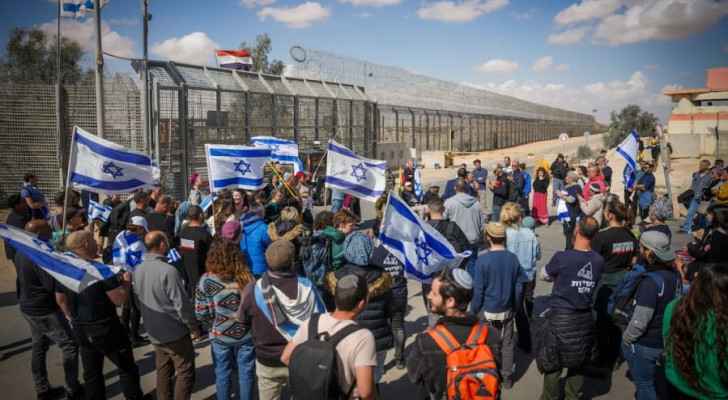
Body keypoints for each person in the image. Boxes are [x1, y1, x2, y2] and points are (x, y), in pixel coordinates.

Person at [60, 231, 145, 400]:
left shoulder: (64, 267)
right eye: (92, 239)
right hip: (105, 327)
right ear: (84, 244)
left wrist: (71, 318)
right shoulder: (100, 270)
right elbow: (119, 299)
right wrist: (127, 283)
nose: (96, 243)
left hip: (80, 328)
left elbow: (60, 298)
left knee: (92, 373)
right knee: (126, 367)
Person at [237, 240, 325, 400]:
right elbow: (321, 319)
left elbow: (242, 322)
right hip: (301, 357)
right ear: (292, 262)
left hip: (267, 359)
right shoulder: (308, 287)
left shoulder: (253, 290)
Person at [407, 268, 502, 399]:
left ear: (450, 301)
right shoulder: (492, 335)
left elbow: (414, 377)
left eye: (434, 293)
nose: (428, 296)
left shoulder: (425, 342)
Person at [282, 273, 377, 400]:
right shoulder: (363, 337)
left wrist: (314, 380)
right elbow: (365, 392)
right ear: (361, 304)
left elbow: (286, 357)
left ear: (335, 296)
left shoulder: (312, 321)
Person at [15, 220, 82, 400]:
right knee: (69, 345)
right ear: (40, 234)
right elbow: (56, 290)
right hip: (44, 309)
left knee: (39, 346)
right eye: (48, 231)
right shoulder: (39, 255)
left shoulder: (22, 248)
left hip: (28, 305)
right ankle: (72, 389)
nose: (52, 234)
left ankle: (42, 388)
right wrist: (69, 315)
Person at [538, 217, 604, 400]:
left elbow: (544, 274)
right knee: (579, 361)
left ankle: (549, 397)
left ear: (577, 231)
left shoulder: (563, 257)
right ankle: (572, 396)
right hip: (584, 317)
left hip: (561, 317)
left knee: (553, 363)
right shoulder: (598, 261)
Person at [134, 231, 199, 400]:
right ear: (161, 245)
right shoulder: (168, 271)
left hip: (154, 331)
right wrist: (194, 327)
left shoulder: (138, 269)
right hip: (174, 332)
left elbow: (137, 299)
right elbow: (182, 305)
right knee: (185, 372)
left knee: (163, 370)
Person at [327, 231, 393, 383]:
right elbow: (392, 309)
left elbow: (331, 309)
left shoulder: (336, 278)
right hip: (376, 338)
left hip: (345, 336)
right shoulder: (382, 277)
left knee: (348, 381)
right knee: (372, 380)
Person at [621, 231, 681, 400]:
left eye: (642, 247)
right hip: (664, 340)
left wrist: (627, 339)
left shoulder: (650, 282)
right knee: (660, 381)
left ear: (649, 253)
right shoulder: (674, 276)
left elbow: (641, 320)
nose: (639, 250)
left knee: (645, 384)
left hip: (646, 343)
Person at [196, 240, 256, 400]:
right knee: (246, 374)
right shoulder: (246, 277)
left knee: (222, 374)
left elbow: (201, 313)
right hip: (246, 335)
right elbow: (254, 309)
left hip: (219, 335)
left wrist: (212, 326)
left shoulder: (206, 280)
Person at [663, 263, 728, 399]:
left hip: (678, 385)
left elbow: (668, 344)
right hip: (716, 393)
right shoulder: (721, 322)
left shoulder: (674, 307)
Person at [469, 222, 521, 388]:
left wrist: (473, 310)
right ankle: (507, 378)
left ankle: (488, 376)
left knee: (485, 344)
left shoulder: (482, 260)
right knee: (507, 345)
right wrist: (515, 307)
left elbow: (478, 291)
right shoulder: (513, 258)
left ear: (488, 238)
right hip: (507, 309)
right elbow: (518, 287)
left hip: (486, 310)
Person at [591, 200, 639, 366]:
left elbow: (593, 261)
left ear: (609, 215)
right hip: (624, 280)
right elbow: (634, 259)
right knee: (618, 319)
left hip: (605, 281)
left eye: (605, 211)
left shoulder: (602, 236)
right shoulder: (630, 234)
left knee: (602, 320)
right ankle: (616, 355)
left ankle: (603, 359)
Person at [501, 204, 541, 353]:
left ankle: (511, 341)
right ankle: (526, 341)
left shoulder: (505, 235)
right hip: (529, 274)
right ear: (520, 217)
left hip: (513, 277)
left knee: (515, 310)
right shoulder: (530, 233)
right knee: (524, 306)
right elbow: (537, 254)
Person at [369, 235, 408, 369]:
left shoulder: (375, 252)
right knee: (398, 326)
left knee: (380, 327)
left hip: (382, 295)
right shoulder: (402, 250)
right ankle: (399, 359)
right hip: (399, 293)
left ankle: (379, 361)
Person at [445, 180, 486, 270]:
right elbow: (482, 223)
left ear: (455, 188)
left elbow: (443, 220)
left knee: (457, 268)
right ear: (466, 189)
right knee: (472, 266)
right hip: (473, 239)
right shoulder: (476, 203)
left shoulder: (449, 202)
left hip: (457, 240)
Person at [178, 205, 213, 296]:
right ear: (200, 215)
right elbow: (212, 255)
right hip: (203, 276)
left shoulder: (183, 232)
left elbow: (186, 252)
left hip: (188, 275)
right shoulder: (204, 234)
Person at [682, 159, 713, 234]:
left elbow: (708, 187)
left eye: (702, 165)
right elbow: (693, 184)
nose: (700, 166)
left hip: (700, 198)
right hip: (692, 196)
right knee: (692, 212)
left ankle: (687, 227)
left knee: (692, 213)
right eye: (700, 165)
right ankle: (690, 226)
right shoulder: (696, 174)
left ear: (706, 167)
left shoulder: (709, 176)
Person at [240, 206, 271, 278]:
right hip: (261, 269)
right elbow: (270, 246)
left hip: (245, 267)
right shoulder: (264, 228)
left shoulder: (240, 227)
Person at [556, 171, 582, 250]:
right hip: (568, 214)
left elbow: (572, 200)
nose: (566, 178)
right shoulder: (568, 187)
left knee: (570, 235)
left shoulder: (575, 187)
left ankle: (569, 251)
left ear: (571, 178)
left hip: (571, 215)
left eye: (567, 177)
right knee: (567, 234)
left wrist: (561, 195)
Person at [4, 193, 30, 263]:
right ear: (17, 206)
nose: (26, 203)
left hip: (18, 251)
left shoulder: (19, 213)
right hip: (17, 252)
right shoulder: (17, 220)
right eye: (23, 202)